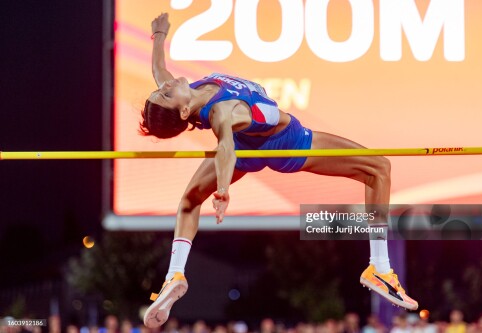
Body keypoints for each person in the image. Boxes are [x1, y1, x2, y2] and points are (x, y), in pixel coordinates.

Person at [141, 13, 418, 327]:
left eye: (161, 90)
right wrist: (222, 188)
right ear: (183, 110)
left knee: (189, 201)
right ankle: (379, 267)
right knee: (378, 168)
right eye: (164, 93)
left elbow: (158, 69)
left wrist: (159, 35)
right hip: (285, 143)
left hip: (247, 149)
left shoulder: (181, 93)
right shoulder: (220, 111)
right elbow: (225, 146)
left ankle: (174, 274)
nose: (165, 86)